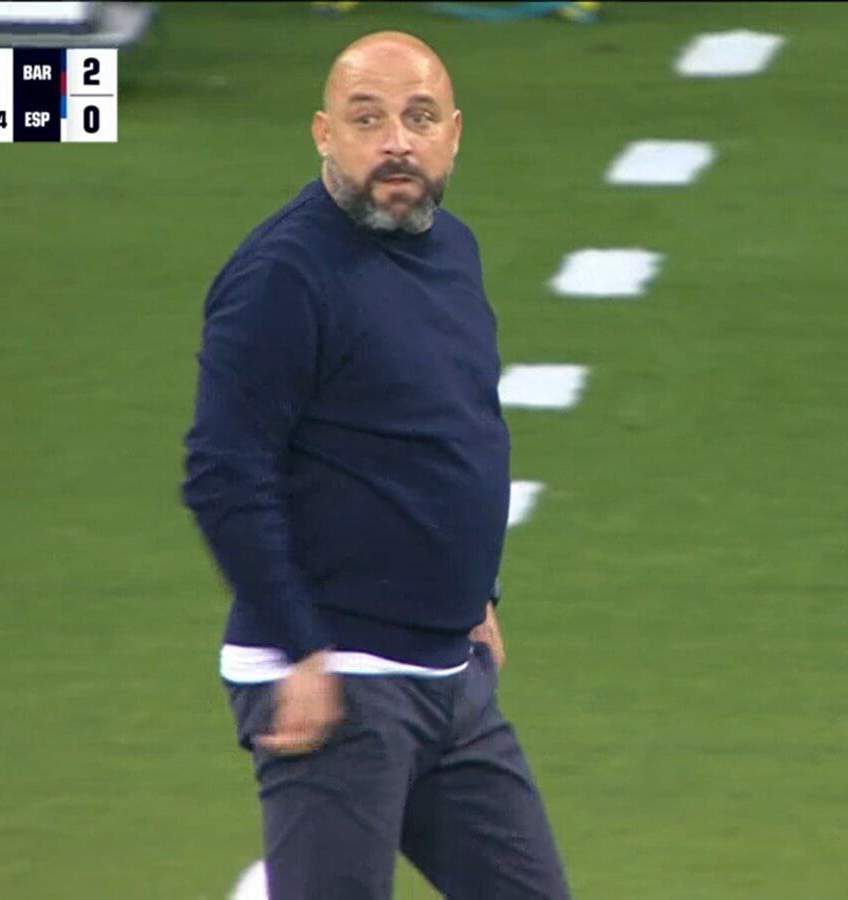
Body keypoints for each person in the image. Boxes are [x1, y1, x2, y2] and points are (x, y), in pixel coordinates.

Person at [181, 31, 570, 900]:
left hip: (449, 677)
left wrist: (478, 596)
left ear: (454, 134)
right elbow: (222, 473)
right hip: (339, 682)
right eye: (369, 119)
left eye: (418, 117)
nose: (397, 140)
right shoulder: (281, 275)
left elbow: (453, 428)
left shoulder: (452, 249)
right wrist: (302, 650)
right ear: (325, 133)